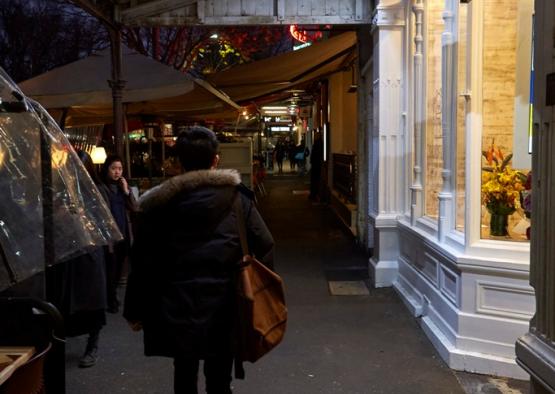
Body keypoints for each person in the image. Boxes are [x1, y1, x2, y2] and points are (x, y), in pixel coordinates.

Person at [124, 126, 274, 394]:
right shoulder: (238, 200)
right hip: (226, 304)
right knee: (219, 376)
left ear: (178, 162)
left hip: (175, 305)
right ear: (216, 160)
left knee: (184, 373)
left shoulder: (157, 206)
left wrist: (135, 310)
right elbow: (264, 244)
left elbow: (142, 260)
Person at [46, 150, 108, 368]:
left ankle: (93, 346)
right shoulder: (60, 192)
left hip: (89, 254)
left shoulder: (97, 191)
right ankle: (59, 344)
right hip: (67, 253)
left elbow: (104, 226)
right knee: (63, 302)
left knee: (92, 303)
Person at [99, 155, 137, 313]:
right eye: (113, 168)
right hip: (110, 237)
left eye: (119, 169)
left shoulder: (122, 187)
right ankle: (110, 299)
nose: (117, 172)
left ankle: (111, 297)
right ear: (107, 169)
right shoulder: (102, 187)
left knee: (119, 267)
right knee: (111, 269)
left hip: (123, 234)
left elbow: (134, 208)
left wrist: (127, 191)